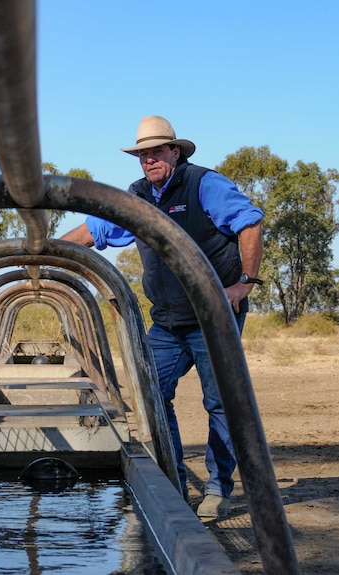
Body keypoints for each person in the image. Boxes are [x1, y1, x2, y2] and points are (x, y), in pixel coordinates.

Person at [60, 115, 264, 518]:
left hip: (212, 316)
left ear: (175, 150)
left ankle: (218, 490)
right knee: (152, 391)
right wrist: (40, 254)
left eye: (156, 151)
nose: (149, 160)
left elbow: (251, 222)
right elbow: (89, 232)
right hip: (168, 322)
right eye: (142, 154)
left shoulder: (205, 184)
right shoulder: (136, 198)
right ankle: (172, 480)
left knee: (220, 402)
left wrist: (243, 284)